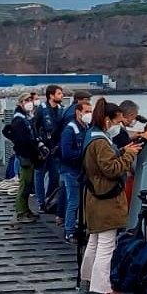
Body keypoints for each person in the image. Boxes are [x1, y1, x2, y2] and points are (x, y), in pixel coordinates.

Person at [80, 98, 144, 294]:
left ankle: (87, 279)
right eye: (117, 122)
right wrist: (129, 155)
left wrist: (123, 151)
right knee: (106, 246)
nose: (119, 126)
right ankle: (104, 290)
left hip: (94, 197)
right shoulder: (101, 142)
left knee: (95, 242)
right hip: (106, 200)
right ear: (108, 120)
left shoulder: (92, 136)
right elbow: (112, 169)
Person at [4, 92, 42, 222]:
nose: (30, 102)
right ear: (21, 103)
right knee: (25, 184)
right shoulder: (19, 120)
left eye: (31, 99)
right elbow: (22, 139)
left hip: (28, 154)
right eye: (27, 100)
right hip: (25, 155)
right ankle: (21, 212)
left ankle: (26, 210)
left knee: (28, 183)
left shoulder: (25, 117)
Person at [57, 97, 91, 244]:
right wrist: (84, 154)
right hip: (70, 171)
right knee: (73, 201)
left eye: (91, 111)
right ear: (78, 112)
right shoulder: (70, 129)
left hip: (80, 170)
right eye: (87, 111)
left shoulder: (86, 128)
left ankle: (77, 226)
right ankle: (69, 231)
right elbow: (66, 152)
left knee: (79, 200)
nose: (89, 114)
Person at [33, 85, 66, 215]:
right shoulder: (41, 109)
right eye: (59, 93)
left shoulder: (61, 110)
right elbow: (34, 127)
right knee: (39, 175)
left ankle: (49, 199)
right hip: (42, 148)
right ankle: (41, 202)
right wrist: (39, 144)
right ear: (51, 95)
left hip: (55, 148)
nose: (61, 96)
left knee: (54, 175)